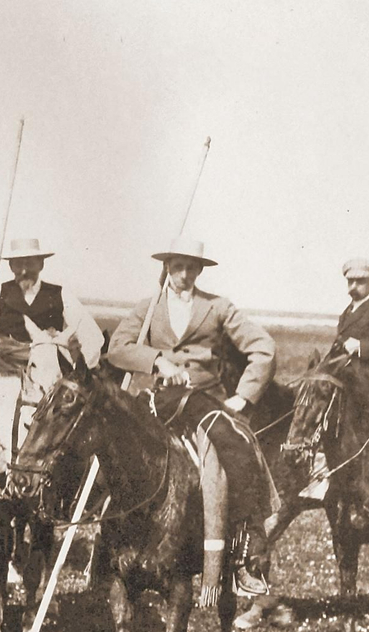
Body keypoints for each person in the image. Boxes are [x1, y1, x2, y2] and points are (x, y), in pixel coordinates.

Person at [108, 236, 277, 601]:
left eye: (190, 267)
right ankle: (109, 553)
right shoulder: (148, 307)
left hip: (204, 399)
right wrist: (156, 361)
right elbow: (117, 348)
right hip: (158, 399)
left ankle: (244, 552)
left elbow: (263, 348)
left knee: (237, 449)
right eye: (176, 266)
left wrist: (243, 396)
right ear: (166, 268)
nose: (183, 274)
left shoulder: (217, 306)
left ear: (200, 270)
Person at [0, 237, 104, 378]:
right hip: (9, 376)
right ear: (11, 266)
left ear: (41, 264)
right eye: (18, 264)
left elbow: (92, 335)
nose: (24, 271)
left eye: (30, 264)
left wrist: (78, 369)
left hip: (50, 379)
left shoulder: (59, 294)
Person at [330, 257, 369, 380]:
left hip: (364, 379)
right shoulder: (346, 312)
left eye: (360, 282)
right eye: (350, 281)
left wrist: (361, 346)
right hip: (341, 372)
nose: (354, 286)